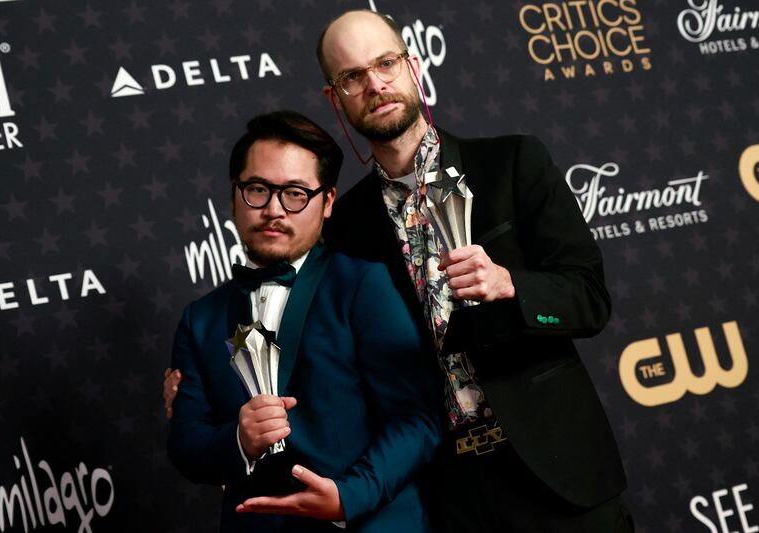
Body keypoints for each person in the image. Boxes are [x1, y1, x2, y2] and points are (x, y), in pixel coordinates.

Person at [314, 9, 633, 532]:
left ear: (412, 66)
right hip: (447, 494)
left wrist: (512, 285)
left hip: (557, 474)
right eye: (352, 76)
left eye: (386, 63)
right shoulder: (345, 227)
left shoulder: (511, 163)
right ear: (335, 96)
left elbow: (589, 297)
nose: (375, 84)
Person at [167, 110, 441, 532]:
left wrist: (350, 494)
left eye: (295, 193)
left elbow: (417, 418)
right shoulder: (200, 320)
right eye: (257, 189)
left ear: (327, 202)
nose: (274, 209)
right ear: (234, 195)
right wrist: (238, 441)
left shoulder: (361, 286)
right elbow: (186, 445)